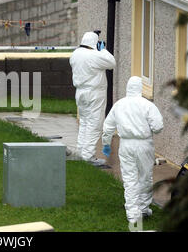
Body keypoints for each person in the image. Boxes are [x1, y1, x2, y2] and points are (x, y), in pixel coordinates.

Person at [102, 76, 164, 223]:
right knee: (145, 176)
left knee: (129, 178)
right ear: (140, 88)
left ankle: (132, 214)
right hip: (144, 144)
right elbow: (158, 127)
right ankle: (143, 208)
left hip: (126, 145)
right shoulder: (147, 105)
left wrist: (106, 143)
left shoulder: (119, 105)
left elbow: (108, 127)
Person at [69, 31, 116, 166]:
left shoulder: (75, 54)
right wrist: (103, 49)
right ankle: (88, 156)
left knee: (84, 122)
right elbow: (112, 63)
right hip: (94, 94)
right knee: (94, 125)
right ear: (94, 43)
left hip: (80, 93)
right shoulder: (94, 55)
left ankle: (81, 152)